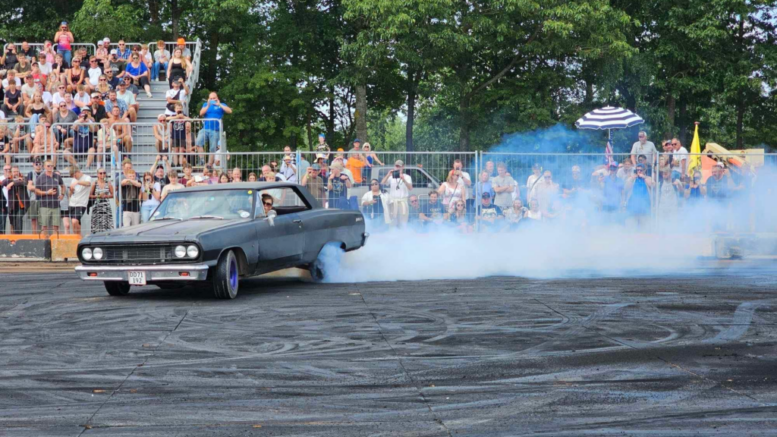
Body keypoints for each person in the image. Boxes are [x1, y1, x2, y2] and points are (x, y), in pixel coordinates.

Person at [197, 92, 232, 166]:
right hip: (205, 128)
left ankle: (209, 164)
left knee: (213, 148)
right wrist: (208, 105)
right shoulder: (206, 104)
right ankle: (202, 160)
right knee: (198, 142)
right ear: (208, 99)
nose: (212, 99)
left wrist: (219, 105)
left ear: (217, 98)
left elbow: (229, 111)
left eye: (214, 98)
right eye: (211, 98)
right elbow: (201, 113)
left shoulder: (221, 104)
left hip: (215, 130)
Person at [33, 160, 65, 237]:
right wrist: (47, 192)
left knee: (56, 227)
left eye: (51, 165)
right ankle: (44, 243)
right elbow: (36, 191)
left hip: (56, 204)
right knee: (44, 227)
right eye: (48, 166)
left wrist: (62, 194)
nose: (50, 167)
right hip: (44, 205)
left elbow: (63, 186)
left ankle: (55, 244)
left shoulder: (57, 176)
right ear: (44, 167)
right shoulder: (41, 178)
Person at [381, 160, 412, 228]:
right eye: (396, 166)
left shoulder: (407, 177)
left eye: (399, 166)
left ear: (403, 167)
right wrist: (388, 175)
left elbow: (410, 188)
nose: (398, 168)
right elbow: (382, 183)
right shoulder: (391, 176)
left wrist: (403, 180)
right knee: (392, 221)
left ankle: (403, 235)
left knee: (403, 221)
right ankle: (392, 234)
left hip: (402, 201)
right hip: (393, 201)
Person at [624, 163, 654, 228]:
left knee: (645, 228)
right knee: (632, 227)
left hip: (645, 207)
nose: (639, 171)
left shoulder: (648, 178)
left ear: (644, 171)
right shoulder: (632, 179)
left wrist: (644, 177)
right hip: (633, 207)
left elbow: (653, 186)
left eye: (641, 170)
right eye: (638, 170)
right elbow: (626, 188)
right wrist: (632, 178)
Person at [2, 166, 29, 233]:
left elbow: (24, 182)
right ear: (11, 172)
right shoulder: (8, 179)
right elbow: (3, 182)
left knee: (19, 218)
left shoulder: (24, 178)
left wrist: (13, 183)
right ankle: (15, 238)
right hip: (12, 205)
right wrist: (14, 181)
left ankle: (18, 237)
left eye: (17, 171)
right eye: (14, 171)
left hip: (22, 205)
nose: (16, 173)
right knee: (13, 222)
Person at [67, 166, 91, 235]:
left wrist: (78, 182)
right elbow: (70, 194)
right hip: (72, 203)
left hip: (81, 204)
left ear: (78, 172)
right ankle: (77, 237)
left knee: (75, 221)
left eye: (74, 175)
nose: (74, 177)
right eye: (73, 176)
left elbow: (88, 183)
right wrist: (71, 191)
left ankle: (78, 237)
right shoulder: (74, 180)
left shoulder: (87, 177)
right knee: (75, 223)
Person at [89, 168, 114, 233]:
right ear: (97, 174)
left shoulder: (108, 183)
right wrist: (98, 196)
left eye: (104, 173)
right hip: (97, 206)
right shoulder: (94, 183)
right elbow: (90, 195)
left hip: (106, 207)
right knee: (96, 225)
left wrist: (106, 196)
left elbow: (113, 195)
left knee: (107, 224)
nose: (102, 174)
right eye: (100, 173)